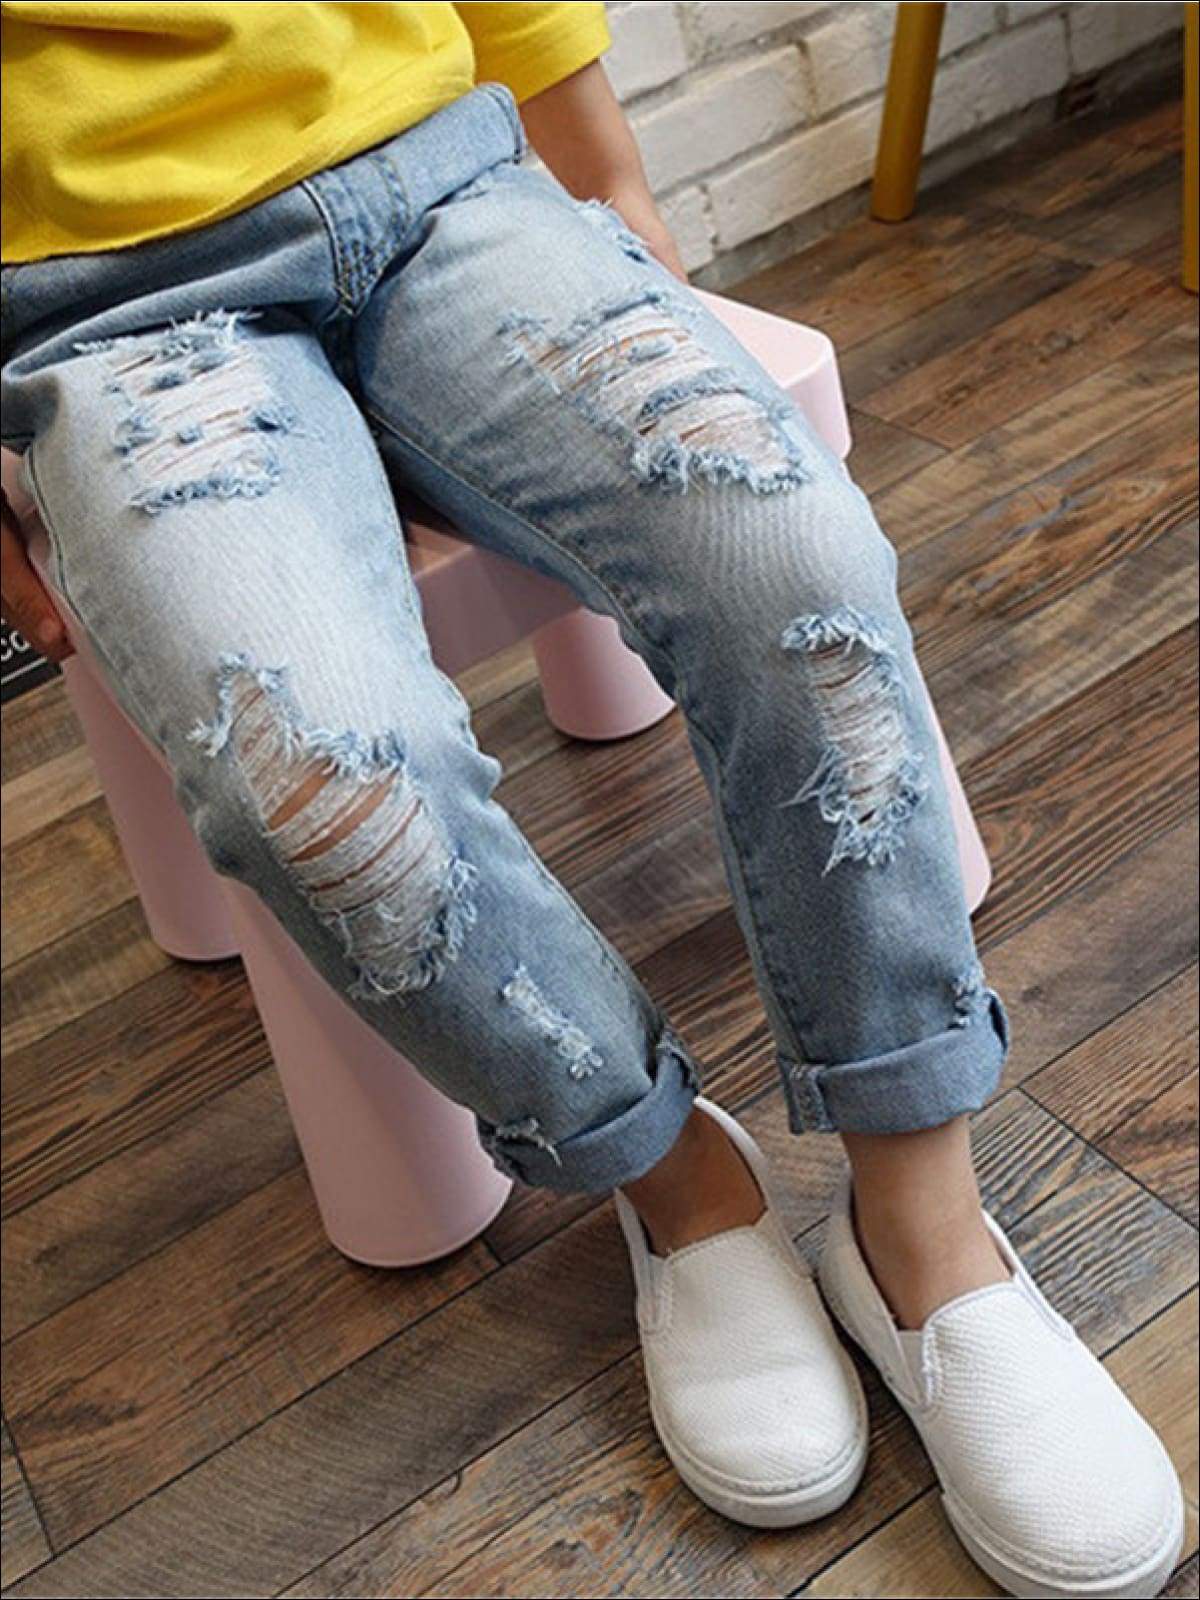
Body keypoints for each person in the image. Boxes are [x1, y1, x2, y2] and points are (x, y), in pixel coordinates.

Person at [0, 5, 1184, 1595]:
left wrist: (609, 174)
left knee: (789, 561)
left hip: (439, 182)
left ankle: (922, 1225)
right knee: (318, 784)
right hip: (99, 304)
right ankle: (678, 1180)